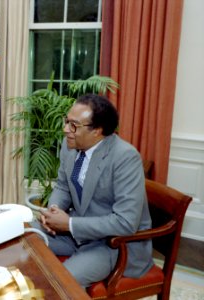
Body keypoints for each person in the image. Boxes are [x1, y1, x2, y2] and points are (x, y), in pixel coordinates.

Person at [34, 94, 153, 288]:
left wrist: (70, 223)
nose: (65, 130)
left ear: (97, 130)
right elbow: (63, 186)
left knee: (59, 283)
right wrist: (53, 210)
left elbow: (126, 223)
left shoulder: (125, 157)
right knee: (24, 237)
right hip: (74, 234)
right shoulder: (70, 145)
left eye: (74, 125)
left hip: (112, 244)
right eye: (66, 121)